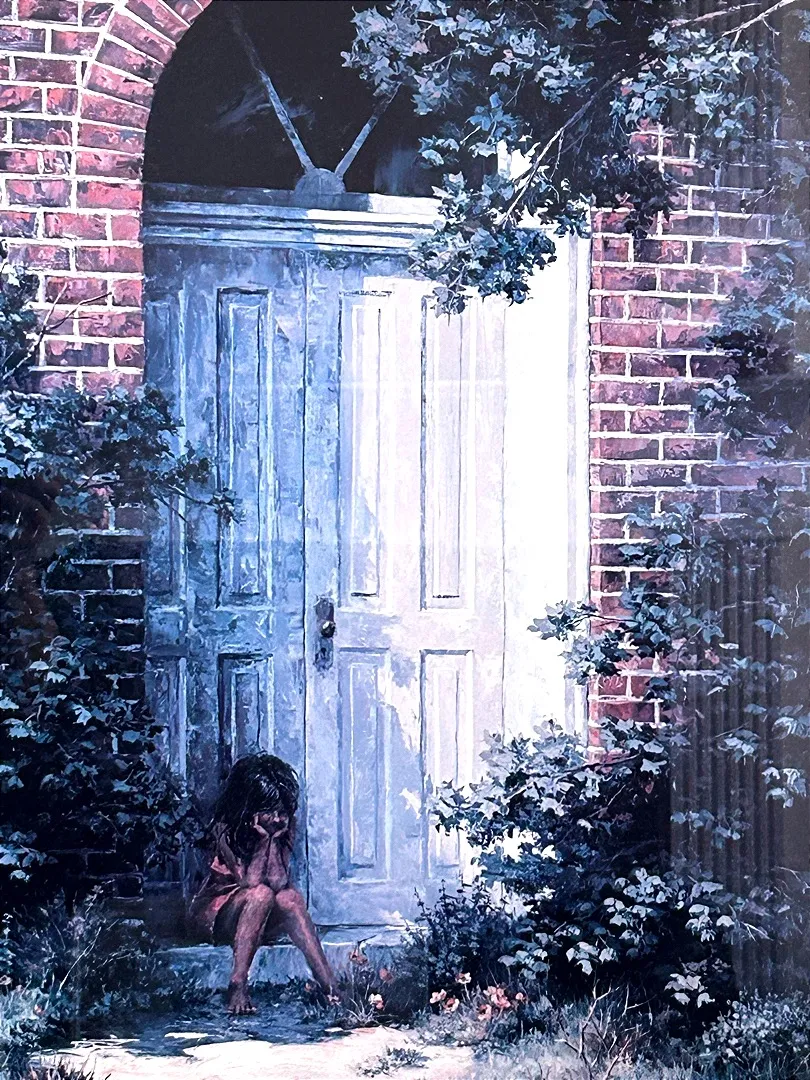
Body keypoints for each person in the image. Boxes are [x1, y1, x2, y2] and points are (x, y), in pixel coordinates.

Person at [189, 753, 334, 1014]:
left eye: (282, 812)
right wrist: (262, 842)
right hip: (219, 915)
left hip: (258, 915)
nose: (277, 818)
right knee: (261, 894)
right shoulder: (225, 829)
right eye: (269, 811)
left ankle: (330, 985)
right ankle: (238, 982)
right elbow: (250, 881)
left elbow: (279, 881)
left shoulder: (282, 828)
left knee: (290, 898)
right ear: (250, 809)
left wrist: (271, 840)